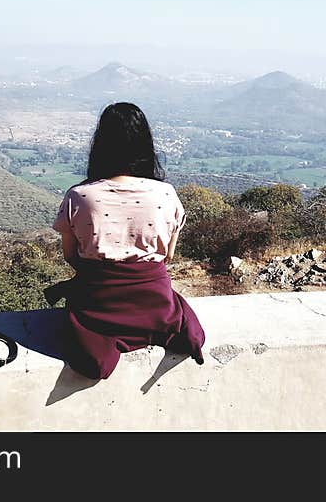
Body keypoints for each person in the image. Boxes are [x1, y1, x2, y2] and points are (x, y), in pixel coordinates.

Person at [44, 102, 206, 380]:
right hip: (156, 305)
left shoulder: (79, 196)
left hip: (98, 305)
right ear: (145, 144)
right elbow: (168, 255)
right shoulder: (166, 194)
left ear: (100, 144)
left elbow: (70, 256)